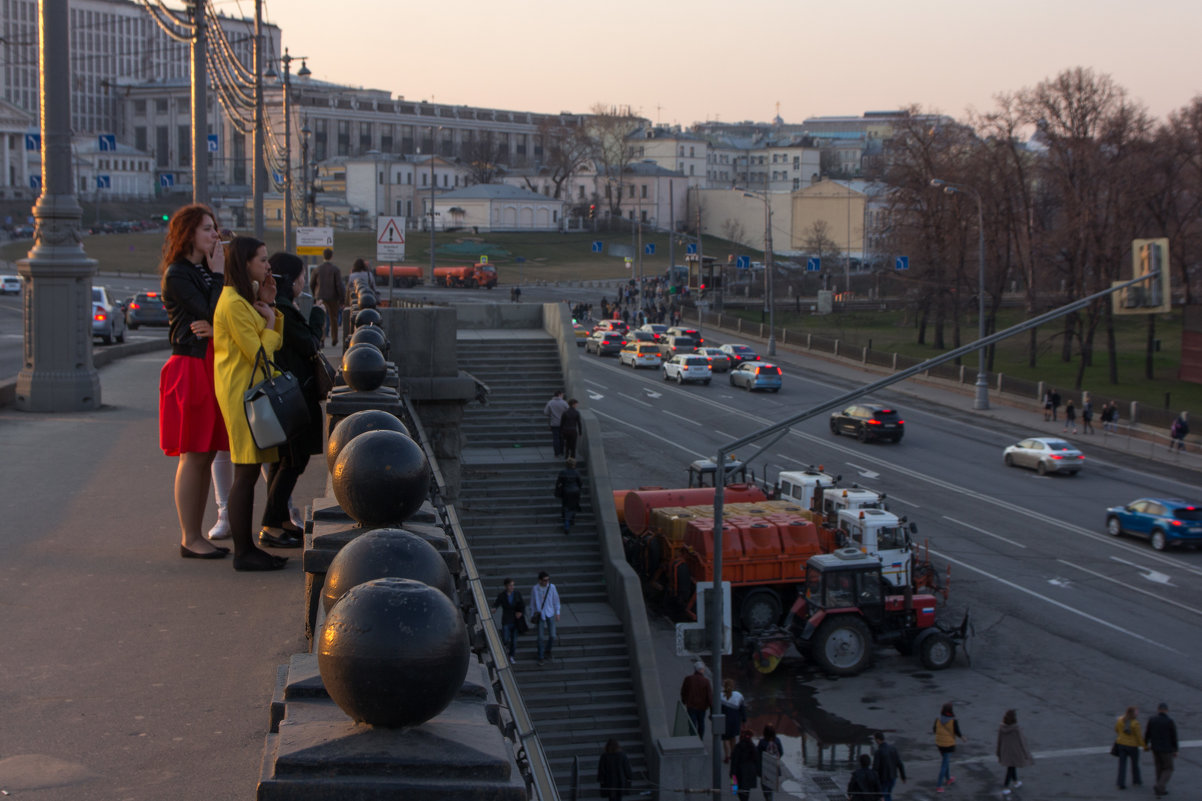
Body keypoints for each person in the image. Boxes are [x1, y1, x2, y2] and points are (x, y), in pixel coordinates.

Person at [158, 203, 231, 560]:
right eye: (207, 228)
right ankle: (190, 536)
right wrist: (217, 274)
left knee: (208, 452)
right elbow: (211, 310)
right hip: (189, 364)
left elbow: (224, 314)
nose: (214, 234)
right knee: (193, 452)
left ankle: (196, 533)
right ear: (188, 233)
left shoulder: (203, 271)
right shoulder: (179, 273)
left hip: (208, 363)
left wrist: (217, 274)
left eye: (214, 227)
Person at [212, 236, 288, 572]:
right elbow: (259, 353)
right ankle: (244, 551)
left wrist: (270, 306)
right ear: (244, 264)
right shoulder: (232, 303)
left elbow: (271, 343)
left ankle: (249, 548)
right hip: (243, 394)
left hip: (251, 392)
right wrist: (269, 323)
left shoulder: (244, 301)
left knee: (249, 472)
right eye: (261, 259)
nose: (267, 264)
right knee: (244, 472)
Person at [257, 252, 325, 549]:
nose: (303, 282)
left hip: (291, 392)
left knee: (287, 459)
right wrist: (320, 314)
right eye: (300, 277)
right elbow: (311, 343)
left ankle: (281, 520)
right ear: (290, 280)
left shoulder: (281, 306)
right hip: (294, 394)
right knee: (292, 460)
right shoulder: (283, 308)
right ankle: (271, 524)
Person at [310, 248, 343, 347]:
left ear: (323, 256)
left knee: (322, 318)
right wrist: (341, 298)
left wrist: (314, 295)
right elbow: (339, 285)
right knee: (334, 318)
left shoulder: (317, 269)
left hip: (320, 296)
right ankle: (335, 338)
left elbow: (312, 283)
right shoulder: (335, 269)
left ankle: (322, 339)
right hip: (333, 297)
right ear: (331, 256)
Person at [996, 709, 1033, 795]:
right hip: (1014, 752)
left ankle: (1016, 781)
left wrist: (998, 752)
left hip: (1005, 751)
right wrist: (1026, 754)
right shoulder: (1016, 728)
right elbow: (1022, 741)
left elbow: (999, 740)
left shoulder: (1002, 727)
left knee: (1011, 767)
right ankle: (1005, 786)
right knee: (1011, 768)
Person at [1144, 702, 1178, 797]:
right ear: (1166, 710)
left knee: (1158, 768)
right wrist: (1175, 749)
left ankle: (1160, 790)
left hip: (1155, 748)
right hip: (1166, 749)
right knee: (1168, 768)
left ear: (1158, 710)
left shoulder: (1152, 720)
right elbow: (1174, 736)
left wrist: (1145, 744)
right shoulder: (1169, 721)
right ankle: (1160, 786)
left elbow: (1147, 733)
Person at [932, 701, 966, 793]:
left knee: (945, 761)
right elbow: (957, 731)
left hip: (939, 744)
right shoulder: (953, 720)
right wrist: (962, 738)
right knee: (944, 764)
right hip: (948, 745)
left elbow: (934, 729)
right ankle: (939, 785)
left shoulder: (938, 718)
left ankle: (948, 778)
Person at [528, 571, 560, 666]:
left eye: (548, 580)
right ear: (540, 580)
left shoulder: (552, 587)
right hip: (540, 614)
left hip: (549, 613)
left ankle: (547, 651)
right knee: (540, 637)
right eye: (545, 580)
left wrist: (557, 612)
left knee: (552, 635)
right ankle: (541, 656)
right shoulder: (535, 589)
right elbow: (532, 603)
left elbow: (556, 601)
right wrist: (532, 615)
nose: (547, 582)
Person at [491, 578, 524, 663]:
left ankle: (511, 655)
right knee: (505, 638)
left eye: (513, 585)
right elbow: (497, 603)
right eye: (510, 585)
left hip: (515, 620)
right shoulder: (502, 595)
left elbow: (522, 604)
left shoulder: (517, 594)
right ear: (506, 586)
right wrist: (494, 608)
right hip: (506, 619)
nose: (512, 587)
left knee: (514, 641)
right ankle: (505, 651)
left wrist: (520, 612)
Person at [1114, 705, 1144, 790]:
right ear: (1133, 713)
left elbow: (1116, 729)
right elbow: (1139, 737)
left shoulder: (1120, 720)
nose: (1137, 712)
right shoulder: (1135, 724)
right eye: (1136, 711)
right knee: (1135, 764)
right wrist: (1144, 746)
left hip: (1121, 745)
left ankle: (1120, 783)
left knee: (1122, 765)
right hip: (1132, 746)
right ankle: (1136, 780)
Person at [679, 660, 711, 739]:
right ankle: (700, 738)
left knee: (692, 723)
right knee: (701, 723)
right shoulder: (706, 681)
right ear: (702, 670)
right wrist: (711, 708)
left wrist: (684, 700)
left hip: (691, 705)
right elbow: (709, 696)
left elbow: (683, 691)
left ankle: (693, 738)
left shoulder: (688, 679)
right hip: (702, 707)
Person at [872, 731, 905, 801]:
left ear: (877, 740)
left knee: (882, 797)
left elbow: (875, 768)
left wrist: (872, 781)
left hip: (883, 779)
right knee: (888, 795)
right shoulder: (893, 749)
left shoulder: (878, 752)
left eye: (875, 739)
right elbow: (900, 764)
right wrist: (903, 776)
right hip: (893, 777)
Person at [720, 678, 746, 763]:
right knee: (733, 738)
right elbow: (742, 710)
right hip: (735, 721)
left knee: (725, 739)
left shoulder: (720, 696)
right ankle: (733, 754)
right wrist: (744, 721)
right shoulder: (739, 695)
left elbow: (716, 709)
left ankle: (727, 756)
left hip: (725, 721)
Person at [729, 729, 759, 801]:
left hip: (738, 773)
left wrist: (732, 774)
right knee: (746, 792)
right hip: (749, 773)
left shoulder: (738, 747)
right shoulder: (753, 747)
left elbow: (734, 762)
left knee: (737, 790)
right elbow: (756, 760)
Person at [555, 458, 583, 534]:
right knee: (574, 506)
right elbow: (580, 482)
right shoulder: (577, 473)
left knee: (566, 507)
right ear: (574, 465)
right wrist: (578, 489)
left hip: (566, 492)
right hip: (575, 491)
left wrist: (558, 492)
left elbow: (558, 483)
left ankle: (567, 523)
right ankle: (572, 520)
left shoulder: (562, 472)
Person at [757, 725, 783, 801]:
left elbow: (758, 754)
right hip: (774, 767)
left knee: (765, 786)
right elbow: (781, 752)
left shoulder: (762, 742)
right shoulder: (777, 740)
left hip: (764, 767)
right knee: (771, 786)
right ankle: (769, 797)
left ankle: (768, 798)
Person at [543, 390, 569, 457]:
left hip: (554, 423)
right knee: (562, 438)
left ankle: (556, 453)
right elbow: (568, 412)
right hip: (563, 424)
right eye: (562, 395)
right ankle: (561, 451)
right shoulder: (564, 403)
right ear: (559, 395)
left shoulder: (550, 403)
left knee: (555, 438)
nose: (563, 396)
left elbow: (546, 413)